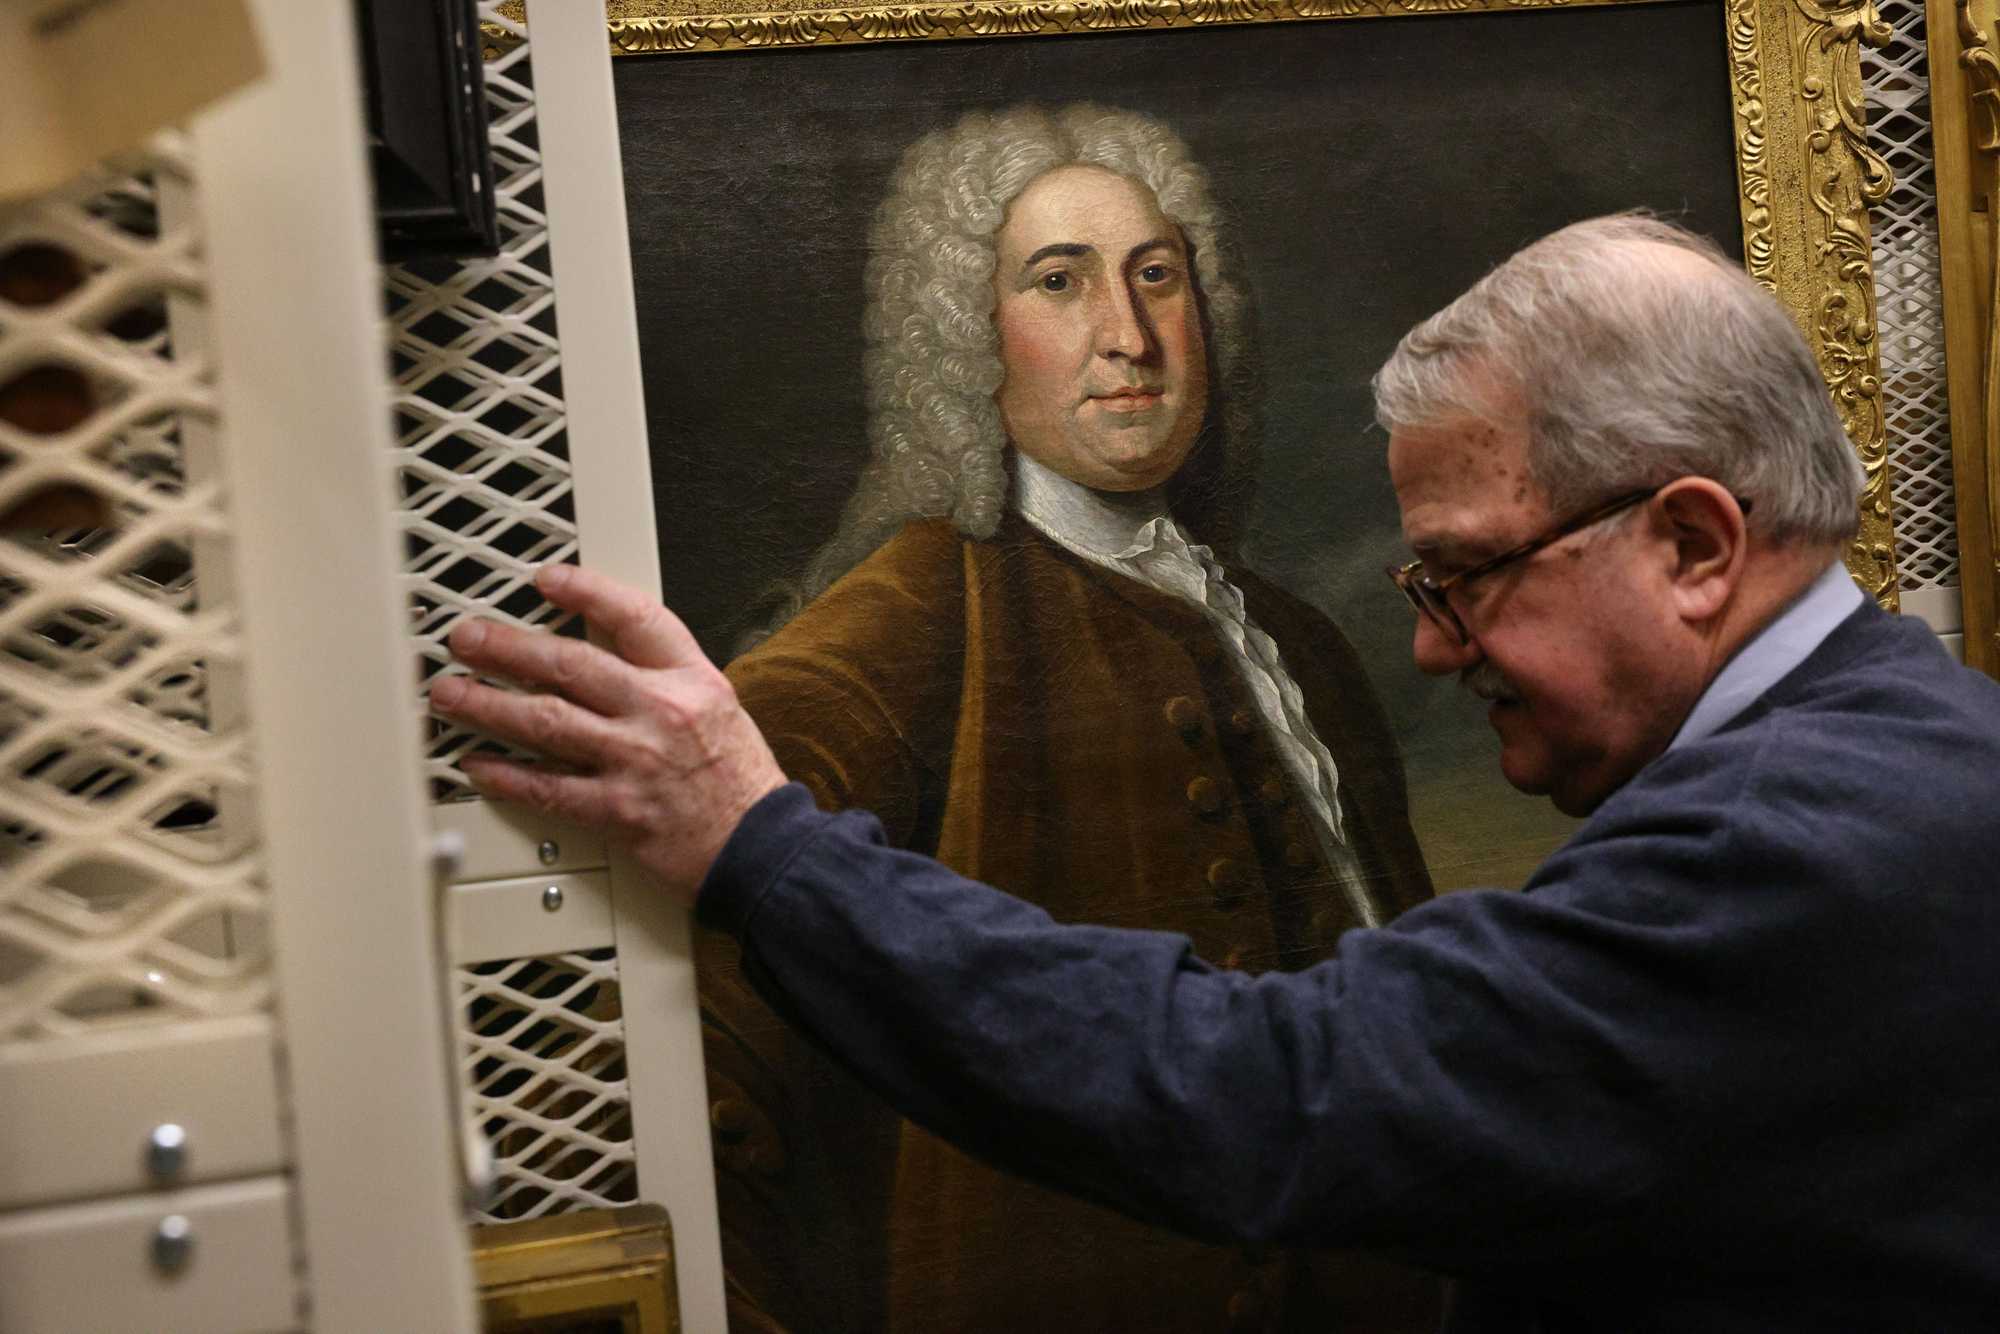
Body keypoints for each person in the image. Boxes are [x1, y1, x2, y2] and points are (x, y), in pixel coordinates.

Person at [432, 213, 2000, 1331]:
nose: (1439, 651)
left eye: (1465, 577)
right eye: (1058, 281)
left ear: (1692, 543)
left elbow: (1269, 1083)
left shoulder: (1792, 848)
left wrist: (763, 846)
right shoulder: (1924, 741)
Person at [704, 104, 1435, 1331]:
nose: (1129, 336)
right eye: (1059, 282)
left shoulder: (1293, 638)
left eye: (1158, 276)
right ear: (965, 337)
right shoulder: (908, 618)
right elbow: (713, 999)